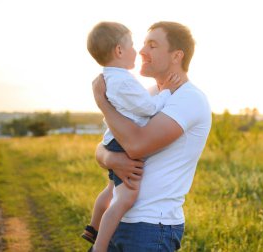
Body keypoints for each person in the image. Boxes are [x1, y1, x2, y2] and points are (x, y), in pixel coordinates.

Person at [92, 21, 212, 251]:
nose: (142, 51)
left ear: (176, 56)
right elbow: (105, 143)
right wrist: (110, 159)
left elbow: (136, 145)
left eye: (153, 45)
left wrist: (102, 104)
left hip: (151, 227)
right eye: (144, 44)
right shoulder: (149, 96)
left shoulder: (189, 99)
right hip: (121, 218)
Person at [83, 21, 181, 252]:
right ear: (119, 51)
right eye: (133, 45)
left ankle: (93, 226)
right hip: (121, 146)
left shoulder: (109, 78)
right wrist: (166, 91)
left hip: (114, 141)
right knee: (124, 199)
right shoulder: (123, 80)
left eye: (151, 46)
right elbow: (147, 108)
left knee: (110, 190)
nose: (138, 51)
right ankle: (99, 246)